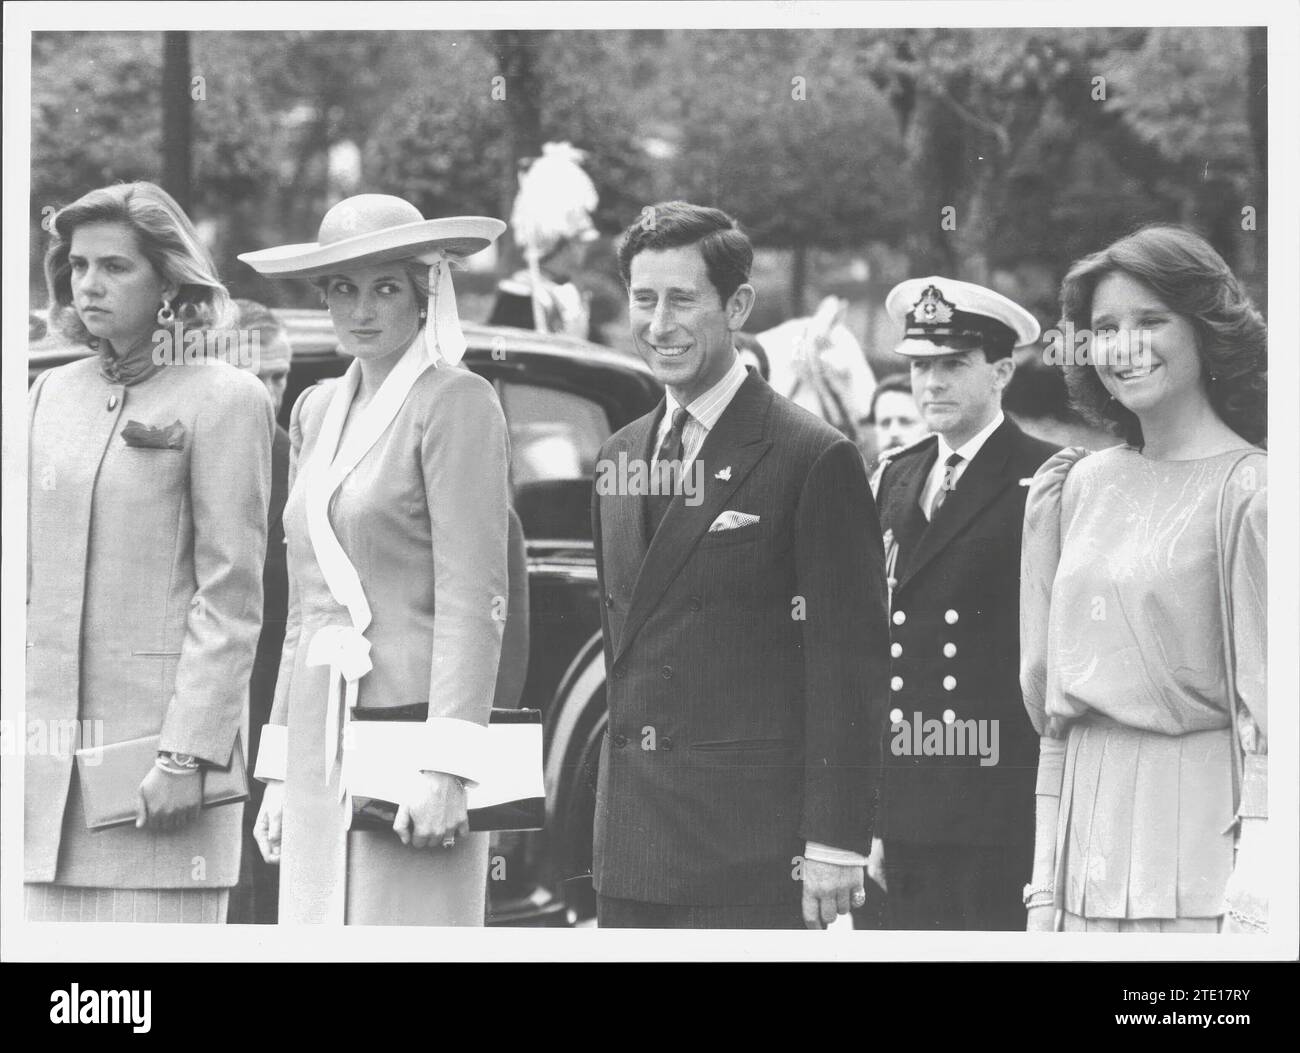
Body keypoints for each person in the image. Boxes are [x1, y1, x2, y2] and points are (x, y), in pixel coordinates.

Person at [591, 201, 890, 929]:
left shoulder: (811, 455)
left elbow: (849, 660)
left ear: (738, 306)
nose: (659, 324)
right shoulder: (619, 454)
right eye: (644, 298)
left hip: (748, 857)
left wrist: (835, 840)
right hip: (628, 849)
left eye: (683, 300)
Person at [240, 194, 512, 925]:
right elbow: (305, 607)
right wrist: (277, 772)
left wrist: (449, 765)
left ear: (426, 294)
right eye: (342, 289)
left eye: (385, 287)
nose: (361, 309)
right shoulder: (315, 408)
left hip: (411, 740)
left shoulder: (457, 401)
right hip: (318, 739)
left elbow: (474, 594)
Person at [25, 181, 273, 923]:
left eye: (115, 267)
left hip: (156, 786)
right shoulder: (47, 393)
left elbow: (230, 596)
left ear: (169, 280)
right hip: (37, 793)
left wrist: (186, 754)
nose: (89, 284)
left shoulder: (227, 398)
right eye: (78, 265)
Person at [1022, 225, 1267, 933]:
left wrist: (1258, 890)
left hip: (1202, 854)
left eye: (1151, 321)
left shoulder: (1254, 492)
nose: (1123, 347)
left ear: (1206, 330)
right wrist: (1044, 887)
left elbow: (1276, 725)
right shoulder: (1073, 487)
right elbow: (1054, 719)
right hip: (1077, 852)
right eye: (1104, 328)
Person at [870, 276, 1059, 931]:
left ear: (1002, 370)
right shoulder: (897, 476)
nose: (931, 383)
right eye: (920, 365)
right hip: (905, 806)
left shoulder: (1047, 478)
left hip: (996, 806)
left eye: (953, 364)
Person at [225, 299, 293, 924]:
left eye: (281, 377)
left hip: (274, 701)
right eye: (258, 375)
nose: (271, 393)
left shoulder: (295, 460)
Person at [489, 142, 598, 339]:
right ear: (562, 245)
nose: (586, 246)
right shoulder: (520, 296)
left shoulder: (568, 292)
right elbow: (503, 359)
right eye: (579, 239)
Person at [866, 374, 928, 492]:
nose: (893, 432)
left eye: (905, 422)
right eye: (885, 423)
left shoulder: (941, 484)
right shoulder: (867, 489)